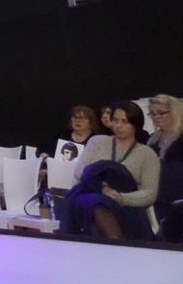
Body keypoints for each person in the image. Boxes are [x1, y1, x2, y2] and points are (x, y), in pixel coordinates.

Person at [65, 101, 160, 240]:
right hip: (89, 194)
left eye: (124, 121)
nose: (118, 125)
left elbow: (150, 193)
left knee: (100, 210)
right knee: (96, 202)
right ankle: (118, 246)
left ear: (136, 125)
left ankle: (113, 247)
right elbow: (80, 171)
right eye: (115, 120)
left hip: (126, 205)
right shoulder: (96, 142)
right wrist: (102, 188)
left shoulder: (147, 154)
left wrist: (121, 198)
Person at [146, 94, 183, 226]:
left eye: (161, 113)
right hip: (159, 200)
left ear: (174, 112)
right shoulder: (151, 141)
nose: (156, 117)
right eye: (153, 114)